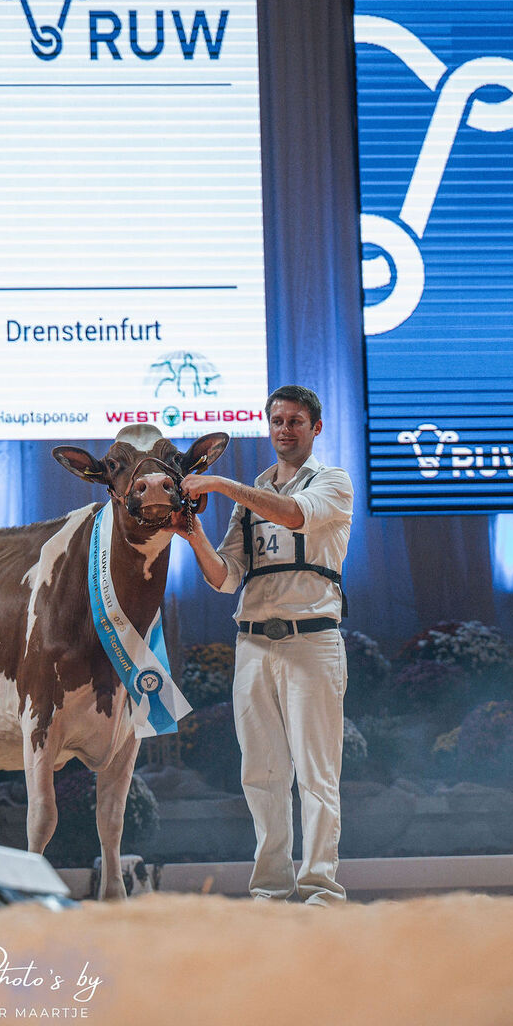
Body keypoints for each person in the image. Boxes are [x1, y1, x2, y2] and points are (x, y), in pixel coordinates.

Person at [172, 385, 353, 906]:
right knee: (261, 774)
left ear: (315, 428)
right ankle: (272, 890)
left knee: (317, 773)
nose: (285, 429)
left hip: (311, 641)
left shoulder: (331, 483)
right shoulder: (251, 499)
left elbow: (295, 516)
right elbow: (226, 578)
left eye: (296, 420)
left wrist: (222, 484)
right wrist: (195, 536)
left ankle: (321, 887)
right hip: (253, 644)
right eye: (277, 420)